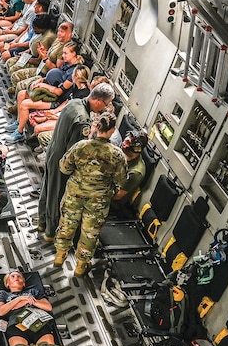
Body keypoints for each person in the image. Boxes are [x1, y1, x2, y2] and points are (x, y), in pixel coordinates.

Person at [37, 82, 114, 243]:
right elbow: (75, 151)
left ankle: (42, 222)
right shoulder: (83, 121)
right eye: (105, 105)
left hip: (52, 150)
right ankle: (50, 233)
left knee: (47, 188)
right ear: (99, 101)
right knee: (56, 196)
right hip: (61, 160)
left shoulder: (74, 103)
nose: (104, 108)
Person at [56, 110, 128, 276]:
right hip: (99, 200)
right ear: (112, 130)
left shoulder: (81, 146)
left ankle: (60, 255)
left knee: (67, 223)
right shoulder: (117, 155)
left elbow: (64, 168)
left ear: (97, 127)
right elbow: (121, 180)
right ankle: (81, 265)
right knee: (90, 232)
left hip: (75, 193)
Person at [110, 129, 149, 218]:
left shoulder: (136, 172)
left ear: (136, 149)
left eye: (127, 144)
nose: (124, 145)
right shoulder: (123, 153)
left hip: (111, 202)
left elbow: (118, 196)